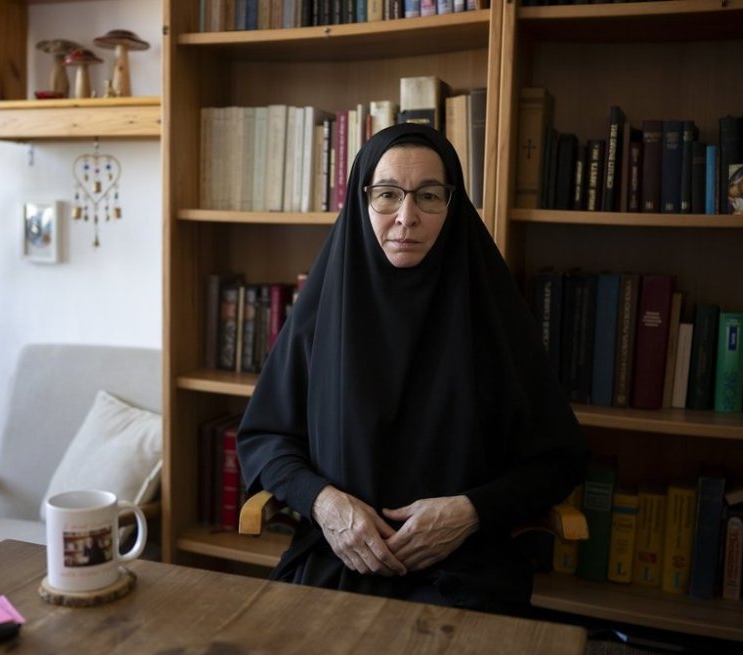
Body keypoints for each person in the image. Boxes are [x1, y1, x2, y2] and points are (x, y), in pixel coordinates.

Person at [236, 123, 588, 615]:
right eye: (386, 195)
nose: (406, 217)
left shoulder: (493, 314)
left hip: (464, 567)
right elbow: (264, 439)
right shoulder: (321, 313)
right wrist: (325, 505)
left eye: (428, 196)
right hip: (336, 560)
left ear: (454, 204)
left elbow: (559, 460)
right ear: (363, 202)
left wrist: (469, 512)